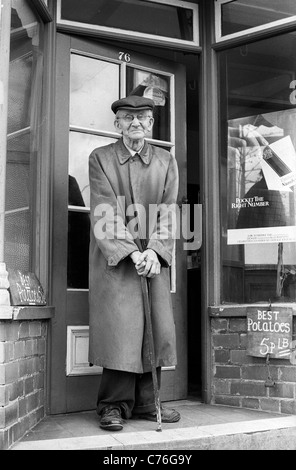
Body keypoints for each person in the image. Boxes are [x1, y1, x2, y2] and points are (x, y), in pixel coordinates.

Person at [88, 95, 180, 431]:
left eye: (142, 117)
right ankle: (112, 406)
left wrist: (155, 250)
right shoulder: (100, 158)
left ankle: (146, 404)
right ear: (118, 124)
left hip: (151, 257)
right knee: (120, 328)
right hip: (117, 258)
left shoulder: (166, 162)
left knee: (153, 326)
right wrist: (132, 251)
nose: (135, 123)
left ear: (151, 123)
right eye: (128, 118)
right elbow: (103, 209)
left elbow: (170, 210)